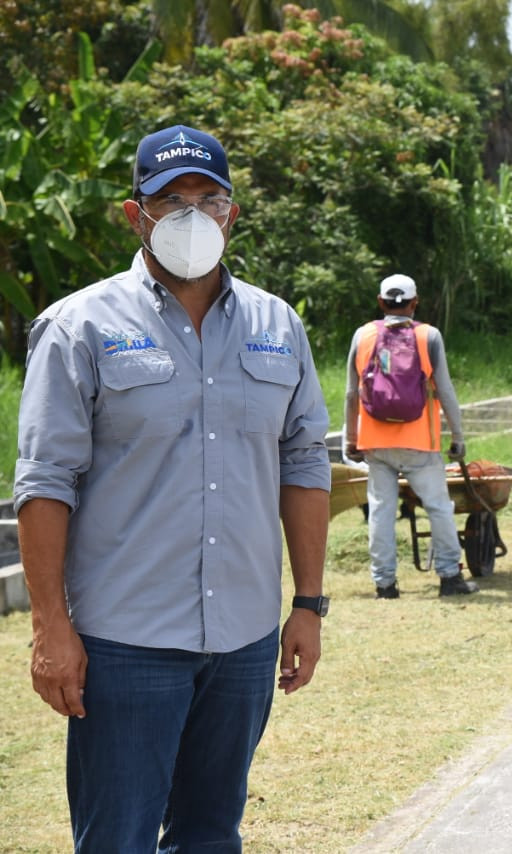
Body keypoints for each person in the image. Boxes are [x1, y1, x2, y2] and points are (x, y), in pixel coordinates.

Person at [14, 124, 332, 851]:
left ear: (232, 213)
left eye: (208, 199)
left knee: (212, 835)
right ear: (137, 214)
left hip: (245, 640)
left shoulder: (277, 326)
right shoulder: (79, 327)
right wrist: (48, 626)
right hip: (126, 644)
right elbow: (44, 482)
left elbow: (305, 463)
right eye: (171, 200)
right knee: (117, 839)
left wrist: (308, 605)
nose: (192, 215)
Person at [343, 274, 477, 598]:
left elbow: (351, 394)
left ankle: (385, 584)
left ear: (380, 302)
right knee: (439, 507)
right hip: (420, 443)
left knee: (381, 511)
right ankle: (449, 577)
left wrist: (351, 439)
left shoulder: (363, 335)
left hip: (375, 443)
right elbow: (445, 391)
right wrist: (458, 436)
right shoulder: (428, 336)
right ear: (414, 303)